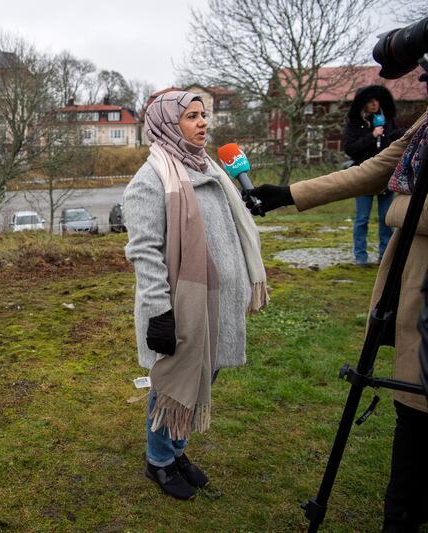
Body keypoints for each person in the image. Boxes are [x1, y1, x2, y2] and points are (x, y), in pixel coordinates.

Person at [247, 108, 428, 533]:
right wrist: (288, 194)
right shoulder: (425, 123)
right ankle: (400, 516)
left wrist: (404, 206)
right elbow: (376, 168)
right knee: (413, 410)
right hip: (411, 267)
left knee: (419, 403)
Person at [123, 91, 269, 501]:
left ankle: (177, 449)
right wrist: (158, 313)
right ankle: (160, 461)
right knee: (174, 383)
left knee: (206, 376)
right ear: (169, 124)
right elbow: (144, 252)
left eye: (204, 115)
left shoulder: (212, 168)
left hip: (218, 303)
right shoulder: (150, 181)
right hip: (180, 308)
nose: (203, 123)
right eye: (191, 116)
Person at [343, 85, 403, 266]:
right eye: (370, 101)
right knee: (362, 219)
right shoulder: (355, 124)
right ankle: (360, 257)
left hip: (385, 176)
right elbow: (350, 149)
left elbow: (395, 143)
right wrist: (371, 135)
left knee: (387, 218)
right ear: (363, 104)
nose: (374, 104)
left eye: (376, 100)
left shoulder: (387, 121)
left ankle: (385, 256)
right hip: (364, 175)